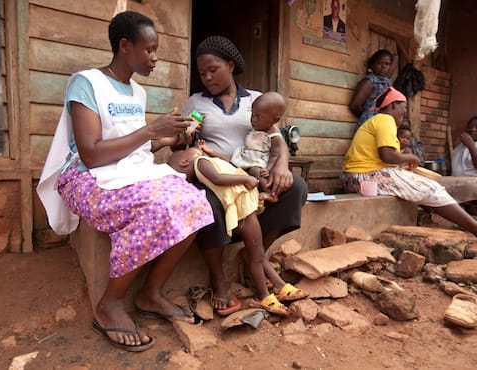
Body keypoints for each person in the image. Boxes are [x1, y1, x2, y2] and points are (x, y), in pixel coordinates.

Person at [36, 11, 214, 352]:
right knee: (157, 205)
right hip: (84, 177)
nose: (155, 58)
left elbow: (133, 142)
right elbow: (90, 154)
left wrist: (167, 139)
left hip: (128, 171)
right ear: (124, 45)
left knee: (194, 202)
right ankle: (110, 304)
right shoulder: (86, 83)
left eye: (156, 50)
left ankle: (150, 294)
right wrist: (150, 130)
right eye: (149, 49)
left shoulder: (137, 93)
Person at [181, 35, 308, 315]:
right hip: (217, 175)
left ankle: (255, 255)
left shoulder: (255, 99)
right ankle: (218, 277)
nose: (207, 77)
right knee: (208, 201)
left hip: (252, 173)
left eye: (213, 70)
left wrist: (283, 166)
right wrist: (185, 136)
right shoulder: (197, 102)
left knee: (296, 187)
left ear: (230, 65)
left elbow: (277, 138)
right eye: (202, 73)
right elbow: (187, 142)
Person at [167, 144, 307, 316]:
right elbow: (218, 178)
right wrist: (246, 180)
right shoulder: (200, 163)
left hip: (247, 205)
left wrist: (214, 152)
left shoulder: (208, 160)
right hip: (244, 213)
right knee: (257, 256)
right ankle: (264, 296)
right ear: (185, 161)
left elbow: (229, 165)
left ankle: (277, 285)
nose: (193, 147)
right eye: (184, 149)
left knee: (257, 254)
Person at [341, 87, 477, 242]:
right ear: (392, 105)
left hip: (356, 177)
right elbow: (387, 155)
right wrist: (410, 159)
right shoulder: (385, 120)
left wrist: (402, 165)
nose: (404, 114)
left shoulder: (376, 121)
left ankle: (462, 224)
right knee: (433, 189)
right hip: (365, 177)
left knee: (421, 187)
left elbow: (382, 158)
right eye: (403, 109)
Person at [228, 91, 288, 202]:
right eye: (252, 114)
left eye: (258, 117)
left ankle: (271, 194)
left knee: (256, 172)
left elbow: (275, 155)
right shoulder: (259, 128)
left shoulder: (274, 135)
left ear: (275, 120)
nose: (253, 119)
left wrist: (267, 169)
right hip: (251, 158)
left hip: (262, 164)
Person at [349, 49, 398, 130]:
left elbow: (396, 58)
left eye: (387, 64)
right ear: (372, 64)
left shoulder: (385, 79)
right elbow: (355, 105)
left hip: (381, 123)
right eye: (380, 63)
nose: (384, 66)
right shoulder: (369, 82)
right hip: (370, 124)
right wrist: (368, 115)